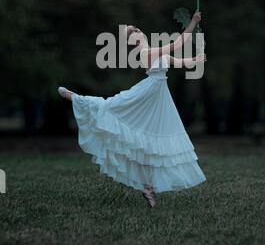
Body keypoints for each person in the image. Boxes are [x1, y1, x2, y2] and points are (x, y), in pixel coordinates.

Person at [58, 11, 206, 208]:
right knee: (110, 105)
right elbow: (177, 44)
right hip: (148, 93)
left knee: (148, 141)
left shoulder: (155, 51)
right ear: (132, 41)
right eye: (132, 32)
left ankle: (148, 187)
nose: (138, 30)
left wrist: (196, 59)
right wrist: (193, 23)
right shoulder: (146, 53)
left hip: (159, 99)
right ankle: (77, 98)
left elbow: (179, 61)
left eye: (135, 28)